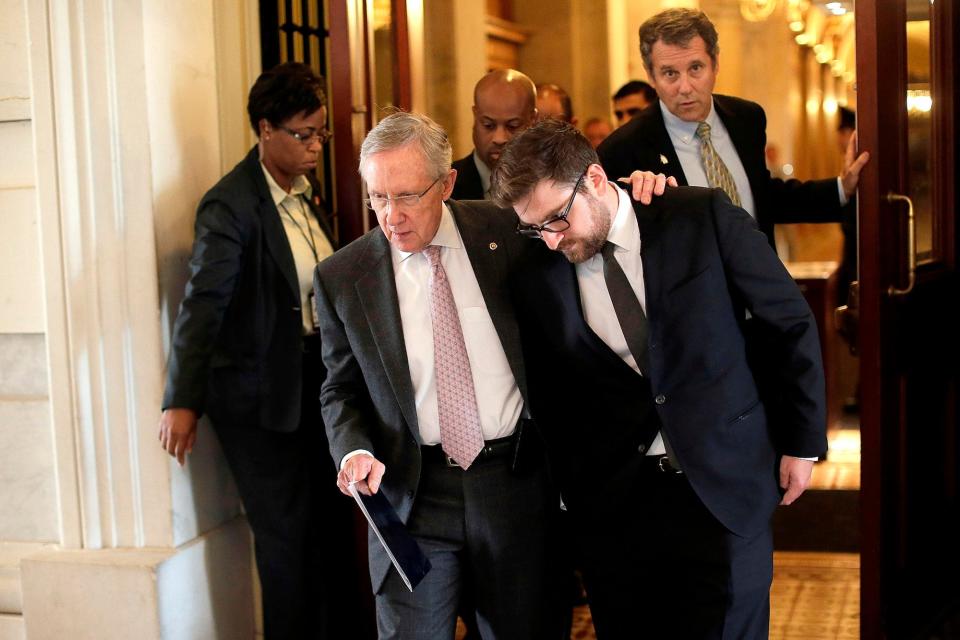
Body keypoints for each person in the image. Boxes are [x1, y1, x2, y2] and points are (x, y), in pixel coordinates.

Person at [492, 120, 826, 638]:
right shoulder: (535, 273)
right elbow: (553, 396)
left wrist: (801, 443)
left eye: (558, 218)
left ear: (597, 180)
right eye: (534, 228)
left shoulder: (700, 216)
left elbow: (788, 323)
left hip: (723, 483)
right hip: (616, 507)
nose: (552, 240)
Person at [313, 111, 558, 640]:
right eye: (377, 197)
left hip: (512, 482)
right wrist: (352, 449)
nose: (390, 215)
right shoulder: (341, 277)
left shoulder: (507, 232)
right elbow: (340, 389)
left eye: (406, 196)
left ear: (446, 184)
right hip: (412, 494)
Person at [157, 62, 366, 639]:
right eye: (302, 134)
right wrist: (182, 400)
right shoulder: (231, 205)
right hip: (258, 400)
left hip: (311, 385)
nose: (315, 146)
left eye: (320, 133)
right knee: (286, 543)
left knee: (329, 535)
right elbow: (202, 305)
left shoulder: (306, 195)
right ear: (264, 128)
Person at [599, 8, 870, 249]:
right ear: (651, 76)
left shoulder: (746, 118)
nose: (685, 87)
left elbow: (762, 196)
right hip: (688, 303)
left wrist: (841, 188)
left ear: (715, 63)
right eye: (670, 73)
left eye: (695, 68)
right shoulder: (622, 149)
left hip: (760, 295)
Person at [451, 69, 538, 201]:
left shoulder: (554, 184)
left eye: (512, 126)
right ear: (475, 116)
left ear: (533, 121)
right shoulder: (445, 188)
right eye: (488, 125)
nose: (499, 138)